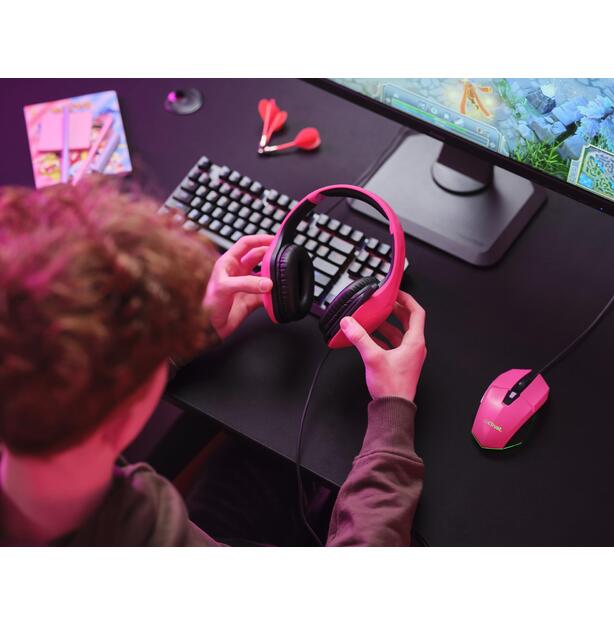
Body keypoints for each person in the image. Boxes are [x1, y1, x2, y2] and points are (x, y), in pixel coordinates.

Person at [0, 178, 427, 546]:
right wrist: (392, 415)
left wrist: (197, 329)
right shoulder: (149, 535)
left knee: (251, 460)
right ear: (128, 408)